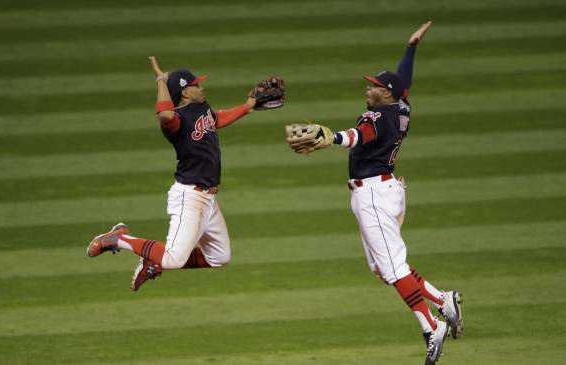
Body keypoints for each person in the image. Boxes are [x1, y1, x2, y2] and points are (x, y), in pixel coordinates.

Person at [285, 22, 463, 365]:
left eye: (376, 87)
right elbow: (404, 81)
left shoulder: (378, 116)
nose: (370, 89)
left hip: (374, 197)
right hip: (388, 190)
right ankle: (443, 300)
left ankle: (431, 327)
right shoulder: (401, 108)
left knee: (393, 269)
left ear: (386, 95)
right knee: (386, 269)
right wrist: (410, 48)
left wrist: (330, 138)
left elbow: (357, 135)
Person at [87, 57, 282, 291]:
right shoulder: (175, 121)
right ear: (185, 93)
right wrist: (161, 81)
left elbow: (216, 119)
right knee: (173, 258)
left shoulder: (201, 107)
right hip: (189, 196)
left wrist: (247, 107)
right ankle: (118, 238)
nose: (201, 87)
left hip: (208, 199)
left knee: (219, 257)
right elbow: (164, 115)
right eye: (196, 85)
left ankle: (154, 262)